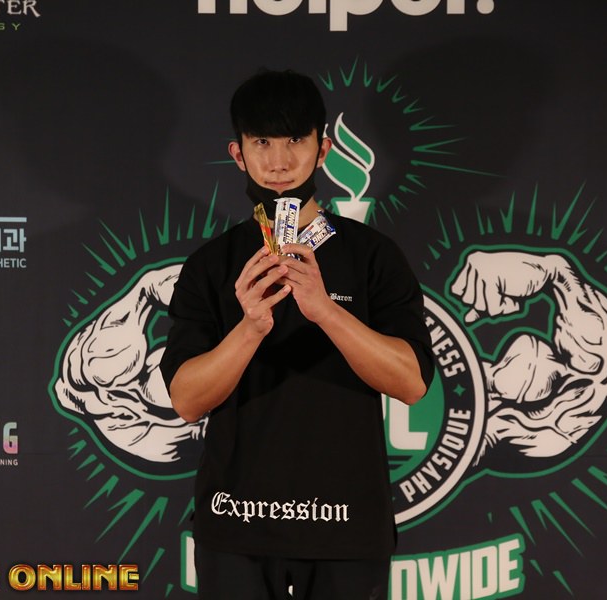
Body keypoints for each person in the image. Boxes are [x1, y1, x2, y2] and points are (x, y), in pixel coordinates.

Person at [160, 69, 435, 600]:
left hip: (346, 526)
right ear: (238, 154)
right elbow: (187, 401)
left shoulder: (373, 257)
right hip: (236, 524)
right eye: (262, 142)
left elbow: (411, 383)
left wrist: (326, 311)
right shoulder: (211, 265)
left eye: (294, 140)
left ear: (323, 148)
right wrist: (250, 327)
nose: (279, 162)